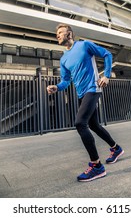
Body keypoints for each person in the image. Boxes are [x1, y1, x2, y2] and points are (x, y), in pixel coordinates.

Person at [47, 23, 124, 182]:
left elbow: (107, 54)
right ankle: (116, 149)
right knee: (94, 125)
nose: (58, 35)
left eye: (61, 32)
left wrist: (106, 75)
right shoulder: (63, 59)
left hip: (93, 87)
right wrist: (57, 87)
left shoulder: (84, 45)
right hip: (81, 94)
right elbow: (65, 81)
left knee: (80, 123)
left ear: (70, 34)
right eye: (57, 34)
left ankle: (97, 166)